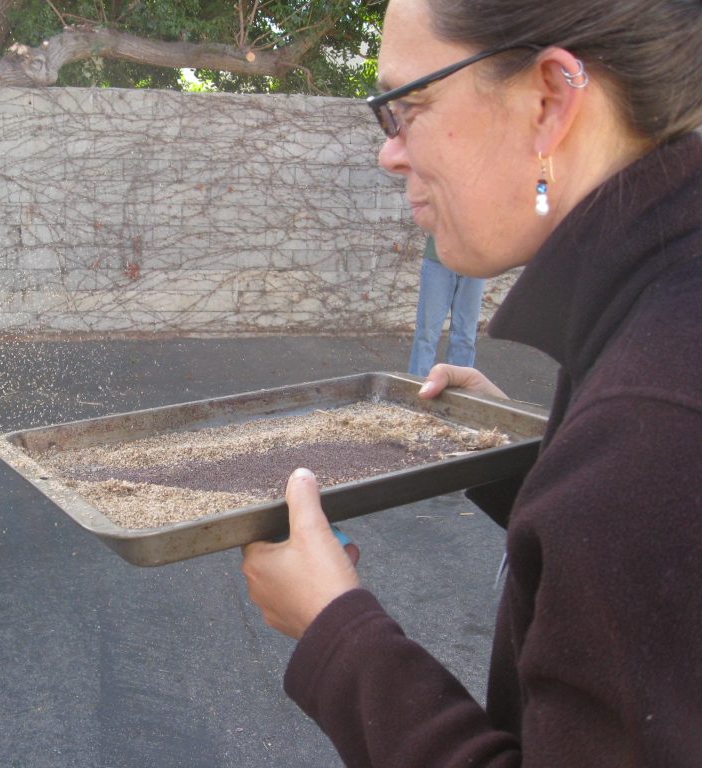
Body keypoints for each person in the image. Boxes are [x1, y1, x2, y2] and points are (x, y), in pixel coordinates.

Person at [241, 0, 702, 764]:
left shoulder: (657, 424)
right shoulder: (659, 336)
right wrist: (546, 460)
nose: (389, 154)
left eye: (408, 105)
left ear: (550, 99)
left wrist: (335, 630)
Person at [407, 235, 485, 377]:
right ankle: (416, 388)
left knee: (465, 336)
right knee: (427, 333)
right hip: (439, 257)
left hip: (476, 260)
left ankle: (459, 392)